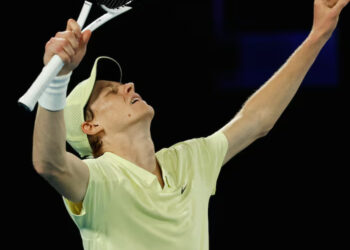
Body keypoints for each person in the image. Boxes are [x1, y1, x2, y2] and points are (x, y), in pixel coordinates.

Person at [32, 1, 349, 249]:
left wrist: (318, 34)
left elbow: (256, 119)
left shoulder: (187, 161)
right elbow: (49, 164)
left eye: (120, 84)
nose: (127, 85)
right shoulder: (97, 182)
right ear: (91, 126)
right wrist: (58, 79)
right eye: (110, 92)